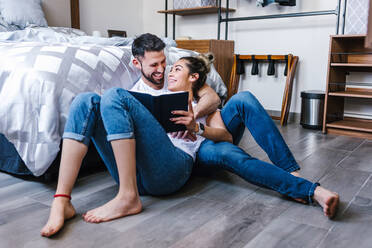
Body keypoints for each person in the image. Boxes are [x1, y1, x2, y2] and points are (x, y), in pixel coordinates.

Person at [40, 39, 229, 237]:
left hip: (172, 168)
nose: (162, 70)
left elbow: (213, 97)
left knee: (114, 95)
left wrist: (194, 118)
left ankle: (127, 196)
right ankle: (62, 200)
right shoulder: (133, 93)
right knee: (84, 100)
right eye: (154, 65)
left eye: (164, 62)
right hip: (138, 173)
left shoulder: (176, 82)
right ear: (136, 64)